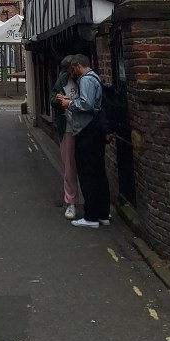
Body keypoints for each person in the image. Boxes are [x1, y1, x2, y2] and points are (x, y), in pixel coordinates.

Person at [55, 53, 111, 228]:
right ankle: (103, 214)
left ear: (78, 65)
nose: (72, 73)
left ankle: (91, 217)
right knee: (99, 172)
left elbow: (86, 104)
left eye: (73, 69)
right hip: (95, 129)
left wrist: (69, 104)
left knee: (87, 174)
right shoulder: (95, 78)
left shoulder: (86, 80)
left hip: (87, 130)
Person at [50, 55, 81, 219]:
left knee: (87, 166)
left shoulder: (84, 79)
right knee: (69, 168)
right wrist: (57, 100)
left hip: (84, 128)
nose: (69, 72)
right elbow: (52, 99)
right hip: (67, 128)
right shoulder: (62, 80)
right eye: (68, 70)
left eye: (69, 69)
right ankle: (71, 202)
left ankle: (94, 203)